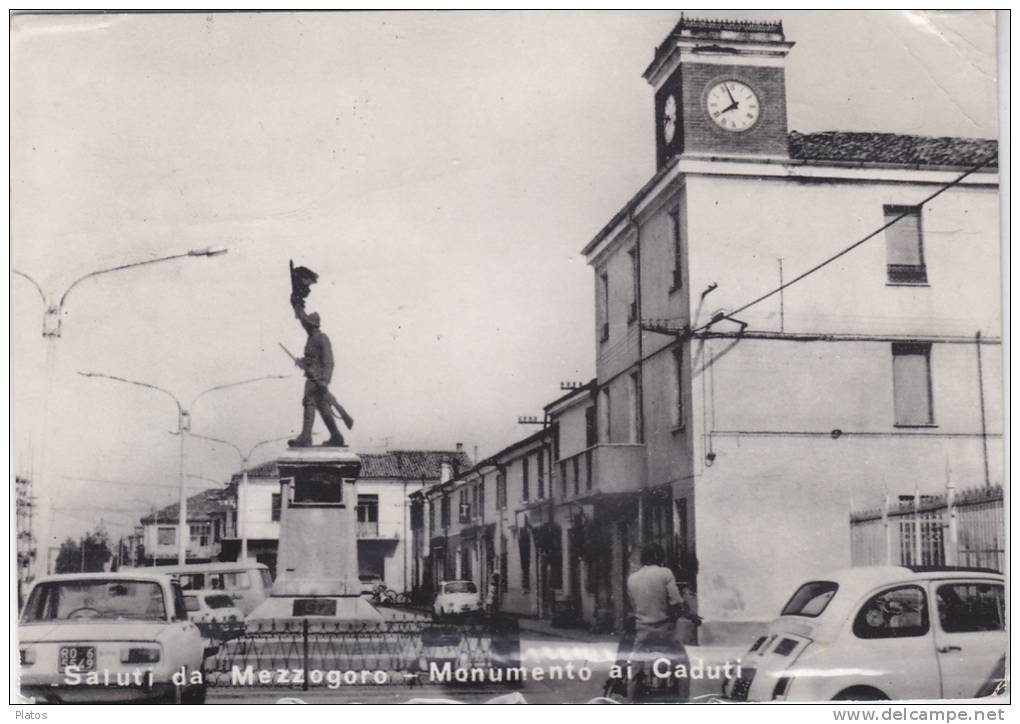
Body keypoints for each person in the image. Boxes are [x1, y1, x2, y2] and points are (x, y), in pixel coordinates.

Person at [624, 542, 690, 702]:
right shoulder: (665, 573)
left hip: (643, 632)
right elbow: (675, 601)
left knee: (634, 669)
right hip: (665, 631)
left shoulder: (632, 579)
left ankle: (630, 702)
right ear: (660, 557)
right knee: (683, 665)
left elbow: (634, 605)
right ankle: (684, 702)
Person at [288, 299, 345, 447]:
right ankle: (336, 436)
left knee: (309, 402)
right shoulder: (311, 338)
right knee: (323, 407)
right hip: (312, 377)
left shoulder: (322, 338)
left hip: (318, 380)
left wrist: (325, 381)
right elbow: (310, 359)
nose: (305, 326)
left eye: (308, 324)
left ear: (313, 326)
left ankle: (306, 437)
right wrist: (302, 362)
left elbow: (329, 361)